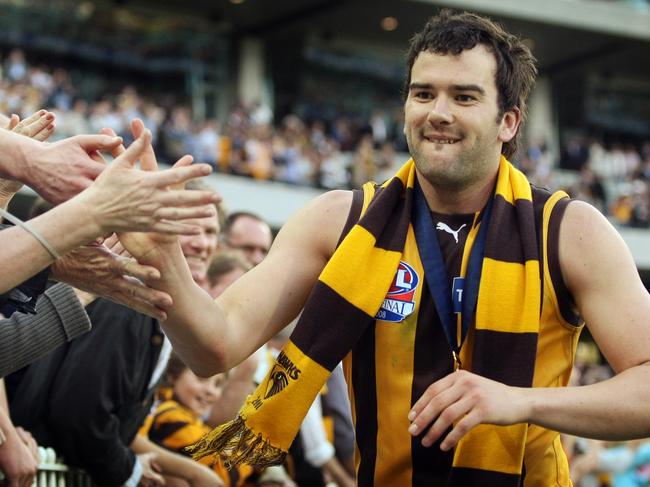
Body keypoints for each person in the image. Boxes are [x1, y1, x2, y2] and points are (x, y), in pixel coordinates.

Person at [119, 10, 650, 486]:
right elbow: (213, 346)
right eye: (423, 94)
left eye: (464, 97)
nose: (437, 112)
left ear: (508, 121)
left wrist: (520, 401)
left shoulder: (569, 231)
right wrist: (162, 258)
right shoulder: (339, 219)